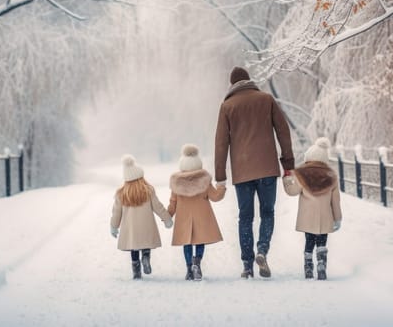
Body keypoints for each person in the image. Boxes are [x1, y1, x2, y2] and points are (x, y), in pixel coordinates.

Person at [214, 66, 295, 279]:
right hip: (267, 168)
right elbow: (283, 131)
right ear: (249, 81)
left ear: (232, 85)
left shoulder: (227, 106)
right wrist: (288, 164)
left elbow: (221, 144)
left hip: (242, 172)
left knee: (245, 217)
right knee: (267, 212)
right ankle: (262, 250)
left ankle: (247, 264)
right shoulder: (266, 99)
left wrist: (220, 176)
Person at [282, 137, 342, 280]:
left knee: (309, 241)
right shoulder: (331, 175)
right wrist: (337, 218)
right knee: (322, 241)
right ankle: (321, 262)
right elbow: (335, 200)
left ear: (309, 157)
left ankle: (308, 266)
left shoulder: (301, 174)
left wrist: (286, 180)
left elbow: (292, 191)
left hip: (307, 216)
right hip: (325, 216)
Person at [110, 154, 173, 280]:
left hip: (131, 229)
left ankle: (136, 271)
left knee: (134, 248)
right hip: (146, 226)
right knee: (145, 244)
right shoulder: (148, 190)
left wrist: (114, 226)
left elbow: (116, 212)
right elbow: (158, 206)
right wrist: (167, 219)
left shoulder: (121, 193)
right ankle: (145, 257)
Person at [168, 144, 225, 281]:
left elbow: (173, 203)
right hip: (202, 217)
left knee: (186, 243)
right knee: (200, 241)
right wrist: (221, 187)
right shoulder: (204, 179)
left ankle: (189, 269)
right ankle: (197, 263)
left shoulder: (177, 182)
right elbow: (215, 196)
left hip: (184, 219)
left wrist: (167, 216)